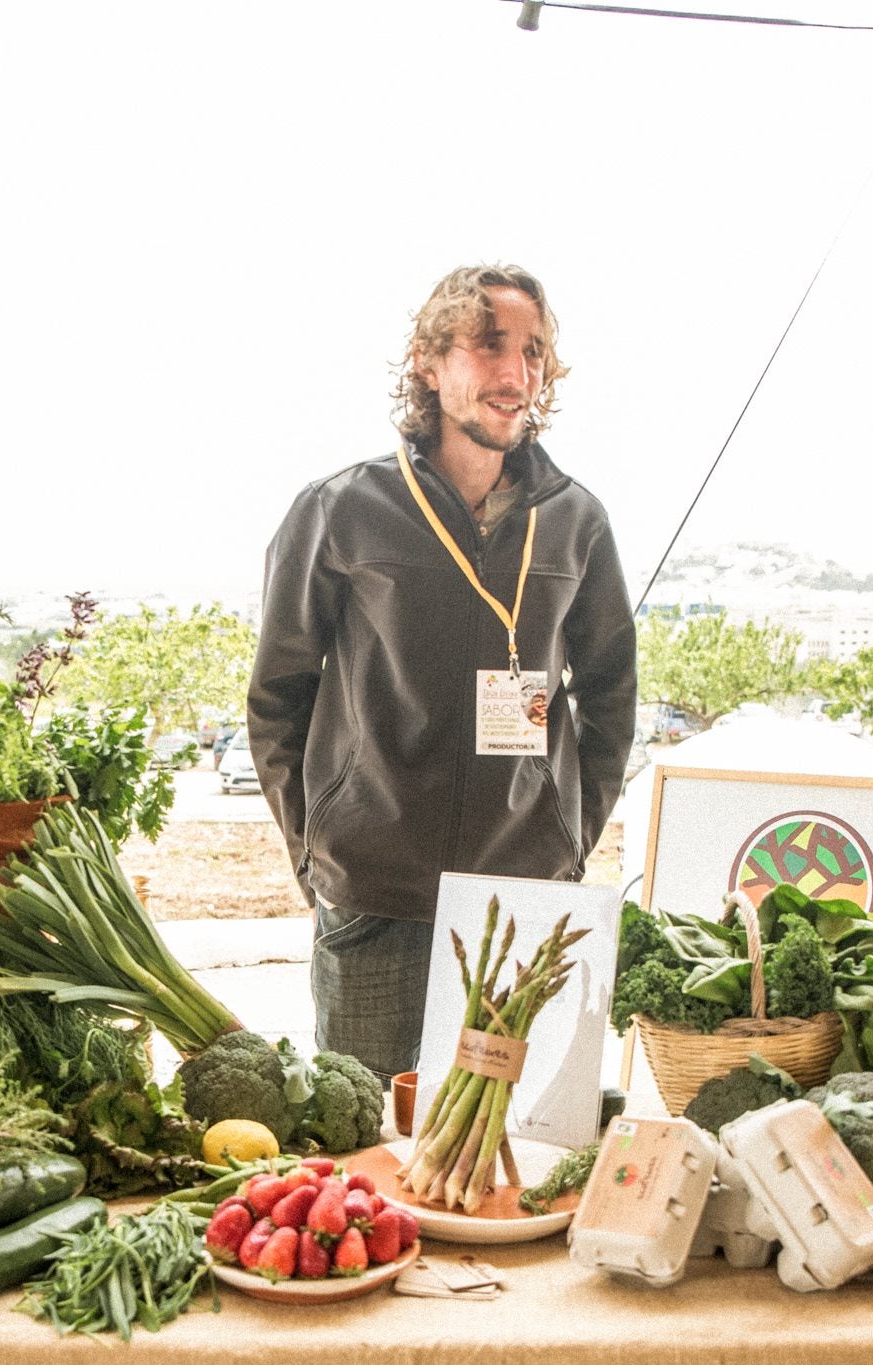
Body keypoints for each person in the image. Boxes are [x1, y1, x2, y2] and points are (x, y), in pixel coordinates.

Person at [247, 264, 637, 1081]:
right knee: (364, 1158)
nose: (516, 373)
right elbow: (278, 696)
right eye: (489, 344)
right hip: (376, 898)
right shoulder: (339, 509)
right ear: (428, 361)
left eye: (532, 351)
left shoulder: (576, 523)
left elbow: (609, 698)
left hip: (527, 899)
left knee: (511, 1163)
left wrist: (570, 839)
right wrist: (313, 848)